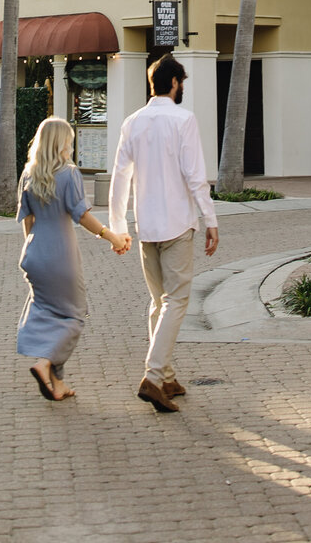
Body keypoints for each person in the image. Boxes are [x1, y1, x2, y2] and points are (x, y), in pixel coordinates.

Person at [108, 54, 218, 414]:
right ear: (173, 83)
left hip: (146, 227)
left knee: (158, 302)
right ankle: (154, 377)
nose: (182, 88)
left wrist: (118, 228)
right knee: (176, 301)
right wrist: (210, 219)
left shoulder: (132, 122)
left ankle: (167, 375)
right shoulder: (183, 120)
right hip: (175, 224)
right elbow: (194, 175)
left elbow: (119, 177)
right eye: (181, 82)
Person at [16, 116, 130, 402]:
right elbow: (82, 216)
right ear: (62, 143)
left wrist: (30, 249)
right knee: (74, 316)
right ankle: (44, 363)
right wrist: (112, 236)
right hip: (61, 255)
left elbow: (27, 220)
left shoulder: (29, 174)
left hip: (34, 253)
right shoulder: (69, 174)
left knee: (50, 312)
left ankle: (58, 383)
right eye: (69, 141)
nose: (72, 146)